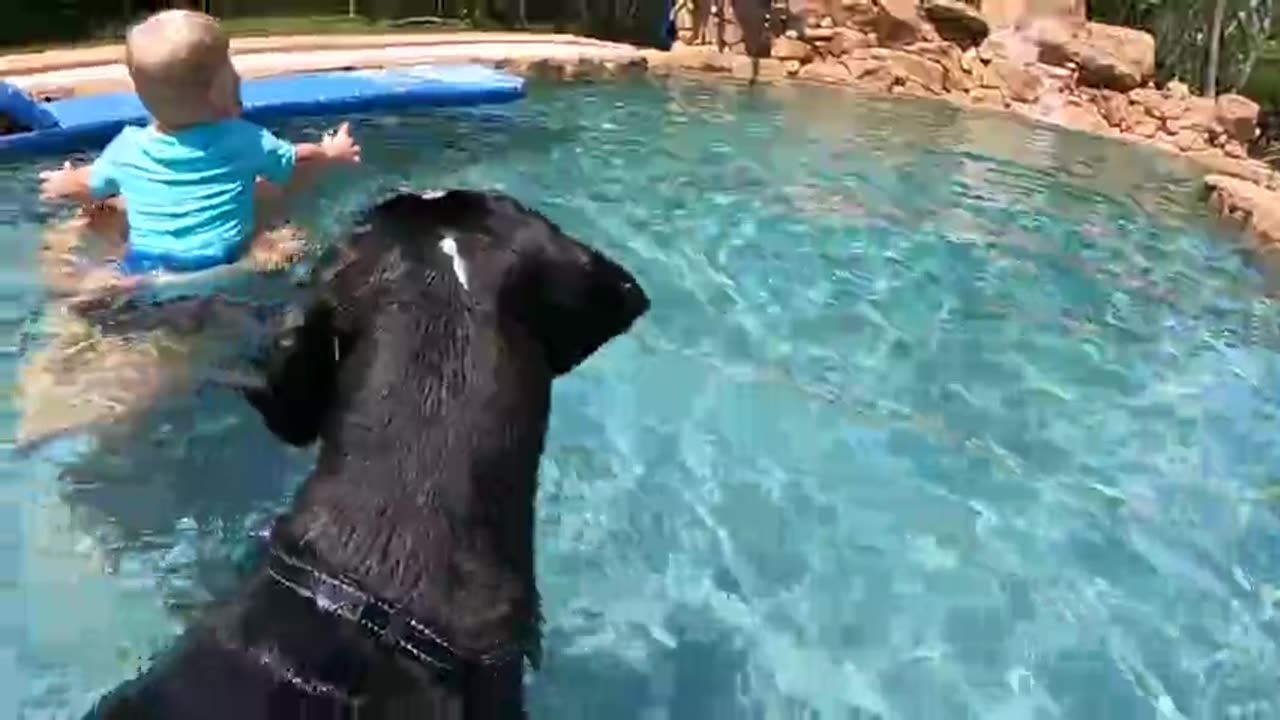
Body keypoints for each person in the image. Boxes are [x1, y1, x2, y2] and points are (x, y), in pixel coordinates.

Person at [37, 9, 362, 300]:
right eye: (230, 68)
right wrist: (332, 153)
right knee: (284, 231)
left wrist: (62, 181)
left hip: (145, 260)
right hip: (221, 260)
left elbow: (88, 184)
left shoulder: (128, 146)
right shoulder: (245, 139)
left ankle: (101, 287)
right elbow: (297, 161)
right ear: (220, 92)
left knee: (105, 212)